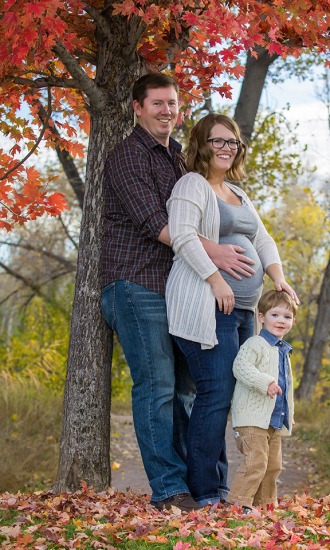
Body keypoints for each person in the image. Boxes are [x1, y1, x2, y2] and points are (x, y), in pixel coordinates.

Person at [100, 75, 254, 512]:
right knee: (158, 387)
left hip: (178, 291)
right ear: (137, 107)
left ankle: (197, 485)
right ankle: (168, 489)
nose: (166, 111)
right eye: (157, 103)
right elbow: (158, 225)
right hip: (134, 285)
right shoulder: (128, 155)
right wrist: (217, 256)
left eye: (172, 104)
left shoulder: (178, 163)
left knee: (191, 389)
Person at [165, 113, 300, 506]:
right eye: (218, 141)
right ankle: (208, 490)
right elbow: (183, 237)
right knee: (216, 392)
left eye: (232, 142)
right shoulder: (192, 185)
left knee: (242, 394)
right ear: (202, 145)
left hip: (243, 310)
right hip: (209, 305)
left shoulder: (239, 194)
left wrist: (277, 277)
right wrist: (215, 278)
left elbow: (263, 238)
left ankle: (238, 486)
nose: (226, 148)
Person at [227, 290, 297, 511]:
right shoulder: (255, 344)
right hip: (252, 418)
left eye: (287, 317)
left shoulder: (282, 351)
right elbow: (240, 367)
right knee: (255, 462)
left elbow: (285, 388)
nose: (281, 321)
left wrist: (289, 413)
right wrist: (264, 382)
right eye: (275, 315)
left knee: (273, 466)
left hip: (273, 420)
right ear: (261, 317)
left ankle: (265, 506)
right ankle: (239, 504)